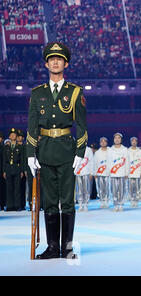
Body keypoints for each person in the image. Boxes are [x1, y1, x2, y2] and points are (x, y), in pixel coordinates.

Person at [27, 42, 87, 259]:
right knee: (50, 201)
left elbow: (81, 125)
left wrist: (80, 153)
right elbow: (32, 126)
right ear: (46, 63)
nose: (55, 61)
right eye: (51, 58)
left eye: (59, 59)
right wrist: (30, 154)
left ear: (66, 63)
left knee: (68, 201)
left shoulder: (75, 92)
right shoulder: (37, 93)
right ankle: (53, 248)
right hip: (44, 151)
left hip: (66, 151)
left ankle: (67, 247)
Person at [3, 128, 25, 211]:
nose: (13, 136)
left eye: (14, 134)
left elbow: (22, 159)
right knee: (9, 188)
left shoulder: (20, 147)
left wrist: (22, 170)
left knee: (17, 188)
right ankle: (10, 205)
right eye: (11, 135)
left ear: (16, 136)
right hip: (8, 168)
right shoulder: (6, 147)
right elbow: (4, 160)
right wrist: (4, 171)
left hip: (17, 168)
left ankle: (17, 205)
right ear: (9, 136)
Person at [108, 133, 129, 211]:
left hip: (122, 172)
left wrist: (127, 173)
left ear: (121, 140)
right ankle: (115, 204)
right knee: (114, 189)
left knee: (121, 189)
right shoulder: (110, 149)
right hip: (113, 173)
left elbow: (127, 161)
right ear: (113, 140)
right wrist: (108, 172)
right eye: (115, 138)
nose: (117, 139)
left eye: (118, 138)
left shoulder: (125, 149)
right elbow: (109, 162)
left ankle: (120, 204)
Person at [74, 145, 94, 211]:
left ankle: (85, 204)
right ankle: (80, 204)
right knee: (79, 189)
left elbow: (91, 161)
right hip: (78, 172)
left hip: (86, 172)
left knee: (86, 189)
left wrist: (91, 172)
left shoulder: (88, 150)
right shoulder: (75, 149)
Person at [94, 137, 111, 208]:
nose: (103, 142)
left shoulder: (111, 151)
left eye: (105, 141)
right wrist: (94, 173)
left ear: (107, 142)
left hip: (108, 173)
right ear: (100, 143)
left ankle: (107, 201)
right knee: (100, 188)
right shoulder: (97, 152)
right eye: (102, 141)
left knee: (107, 188)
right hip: (100, 173)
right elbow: (95, 163)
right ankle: (102, 201)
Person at [128, 137, 141, 207]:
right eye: (132, 141)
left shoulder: (139, 151)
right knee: (131, 188)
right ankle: (132, 200)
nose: (134, 142)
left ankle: (136, 200)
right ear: (131, 142)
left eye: (135, 141)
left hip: (137, 172)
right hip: (130, 172)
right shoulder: (127, 151)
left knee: (137, 187)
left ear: (137, 142)